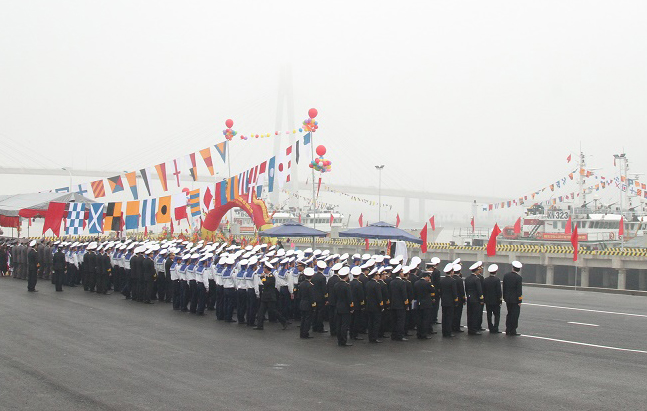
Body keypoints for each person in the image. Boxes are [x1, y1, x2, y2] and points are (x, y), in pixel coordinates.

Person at [254, 262, 287, 330]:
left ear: (267, 269)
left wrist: (262, 277)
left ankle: (283, 321)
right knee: (261, 311)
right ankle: (259, 325)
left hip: (270, 297)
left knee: (273, 311)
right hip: (265, 297)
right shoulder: (266, 276)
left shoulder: (271, 276)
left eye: (264, 268)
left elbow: (266, 283)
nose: (263, 269)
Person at [333, 266, 354, 346]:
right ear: (347, 276)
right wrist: (351, 307)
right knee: (344, 325)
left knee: (338, 324)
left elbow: (334, 297)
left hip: (338, 307)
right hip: (345, 308)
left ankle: (339, 340)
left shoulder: (336, 285)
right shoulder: (347, 286)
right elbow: (349, 298)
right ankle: (344, 340)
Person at [414, 271, 436, 339]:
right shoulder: (427, 283)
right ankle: (424, 334)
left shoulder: (416, 283)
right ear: (427, 277)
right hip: (426, 303)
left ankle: (419, 333)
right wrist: (430, 283)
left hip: (418, 303)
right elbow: (433, 290)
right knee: (425, 319)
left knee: (419, 319)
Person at [503, 261, 523, 336]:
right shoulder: (519, 278)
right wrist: (520, 300)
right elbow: (519, 290)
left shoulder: (506, 276)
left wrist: (504, 297)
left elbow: (504, 287)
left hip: (508, 299)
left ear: (513, 268)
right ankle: (513, 330)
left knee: (509, 313)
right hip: (515, 300)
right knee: (515, 315)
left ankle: (508, 329)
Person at [389, 265, 408, 341]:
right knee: (400, 321)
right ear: (400, 273)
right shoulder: (402, 283)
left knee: (394, 320)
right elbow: (404, 295)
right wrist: (406, 304)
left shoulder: (391, 282)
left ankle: (393, 335)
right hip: (401, 305)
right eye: (402, 272)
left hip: (393, 304)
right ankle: (400, 335)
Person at [465, 261, 484, 335]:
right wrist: (481, 299)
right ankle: (474, 329)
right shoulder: (477, 279)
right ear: (476, 270)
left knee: (469, 314)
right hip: (476, 299)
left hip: (469, 298)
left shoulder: (467, 278)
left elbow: (466, 289)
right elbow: (479, 290)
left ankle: (470, 329)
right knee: (475, 314)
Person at [364, 267, 383, 343]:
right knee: (376, 322)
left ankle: (370, 337)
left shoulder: (368, 283)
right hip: (376, 307)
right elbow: (379, 297)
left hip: (369, 306)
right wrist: (381, 306)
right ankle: (374, 337)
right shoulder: (377, 284)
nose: (379, 276)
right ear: (375, 276)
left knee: (370, 322)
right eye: (378, 275)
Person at [483, 264, 503, 333]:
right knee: (497, 315)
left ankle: (490, 327)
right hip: (495, 301)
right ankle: (495, 328)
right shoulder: (497, 280)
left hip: (488, 300)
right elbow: (499, 291)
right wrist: (500, 300)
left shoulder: (485, 280)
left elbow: (484, 290)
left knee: (489, 315)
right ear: (496, 272)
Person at [439, 263, 458, 337]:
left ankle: (444, 331)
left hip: (444, 301)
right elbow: (454, 292)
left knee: (444, 317)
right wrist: (456, 301)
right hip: (450, 301)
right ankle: (448, 332)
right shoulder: (453, 281)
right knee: (449, 317)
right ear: (451, 272)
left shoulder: (442, 280)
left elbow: (440, 291)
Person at [298, 267, 316, 339]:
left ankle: (301, 333)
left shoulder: (301, 284)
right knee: (307, 320)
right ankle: (305, 333)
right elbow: (312, 297)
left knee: (303, 319)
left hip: (302, 303)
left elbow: (299, 295)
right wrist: (314, 306)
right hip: (308, 305)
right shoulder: (310, 285)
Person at [349, 266, 365, 341]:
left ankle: (351, 333)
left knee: (351, 320)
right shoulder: (359, 284)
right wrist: (362, 304)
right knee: (356, 320)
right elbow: (361, 296)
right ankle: (355, 334)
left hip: (351, 303)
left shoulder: (350, 283)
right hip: (357, 304)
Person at [427, 257, 442, 325]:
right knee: (435, 306)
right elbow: (438, 283)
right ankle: (434, 319)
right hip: (435, 291)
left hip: (428, 290)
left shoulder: (427, 272)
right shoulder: (437, 272)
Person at [452, 263, 466, 333]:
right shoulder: (459, 280)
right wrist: (464, 299)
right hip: (459, 298)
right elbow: (461, 290)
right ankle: (456, 327)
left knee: (452, 313)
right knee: (458, 314)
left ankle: (452, 326)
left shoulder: (451, 278)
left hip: (452, 298)